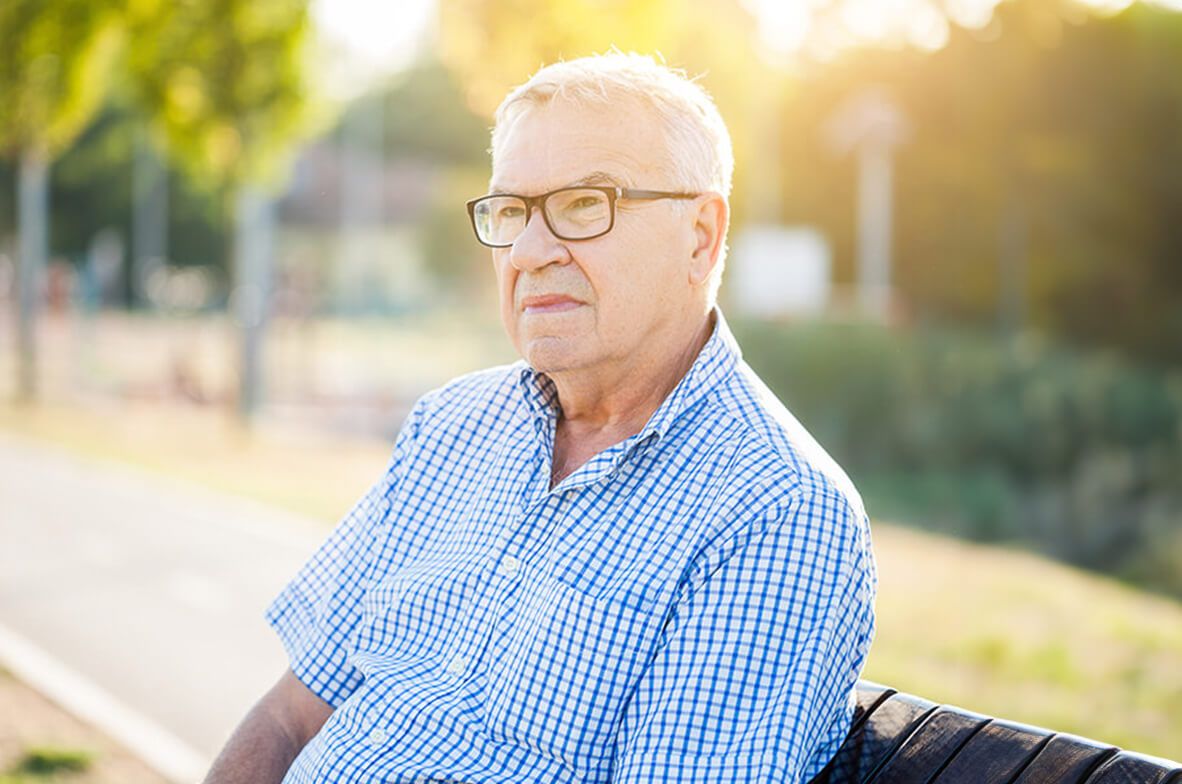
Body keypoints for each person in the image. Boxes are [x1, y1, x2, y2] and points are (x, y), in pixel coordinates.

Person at [203, 52, 877, 784]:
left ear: (700, 237)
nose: (528, 251)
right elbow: (290, 715)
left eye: (586, 204)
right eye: (511, 211)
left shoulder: (777, 508)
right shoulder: (451, 426)